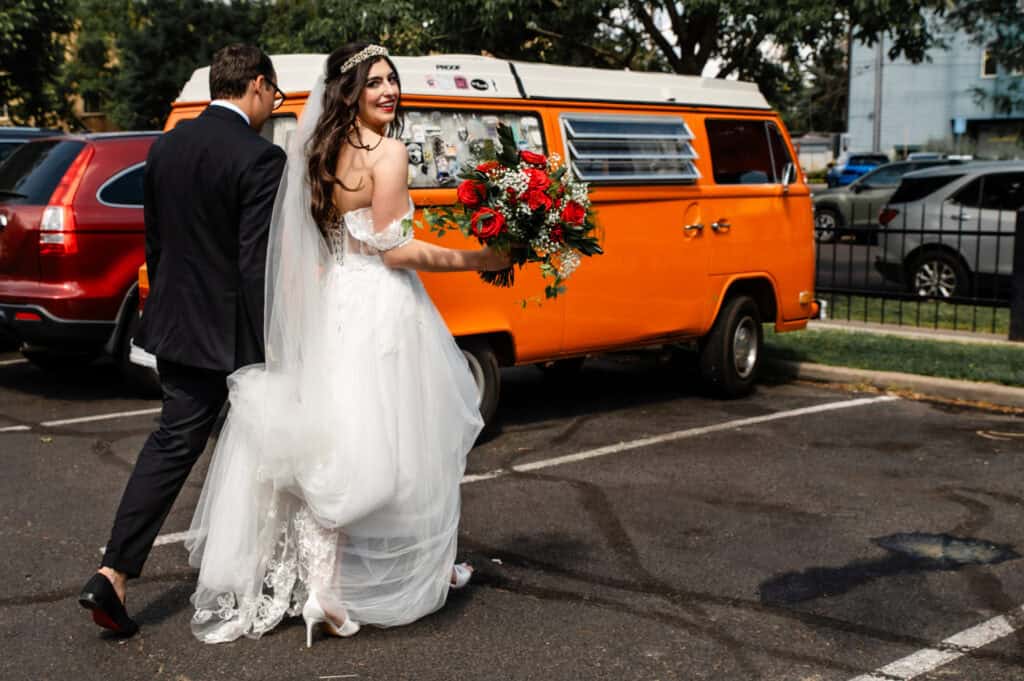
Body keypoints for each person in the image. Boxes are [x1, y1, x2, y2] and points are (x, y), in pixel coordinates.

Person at [183, 43, 510, 645]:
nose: (389, 91)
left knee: (334, 446)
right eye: (376, 82)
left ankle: (327, 589)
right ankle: (403, 573)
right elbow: (395, 250)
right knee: (406, 445)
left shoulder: (316, 149)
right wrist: (478, 258)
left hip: (332, 303)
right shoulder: (389, 153)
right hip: (383, 308)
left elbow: (316, 242)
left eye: (392, 80)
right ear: (352, 91)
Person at [78, 44, 288, 637]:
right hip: (233, 333)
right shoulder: (261, 157)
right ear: (255, 84)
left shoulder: (165, 146)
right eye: (273, 95)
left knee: (172, 446)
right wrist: (275, 341)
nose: (272, 106)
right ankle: (275, 578)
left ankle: (114, 572)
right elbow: (256, 262)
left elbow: (156, 241)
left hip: (174, 323)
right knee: (273, 451)